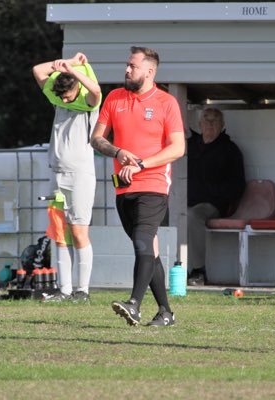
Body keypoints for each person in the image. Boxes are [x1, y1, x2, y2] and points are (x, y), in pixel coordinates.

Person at [91, 46, 185, 326]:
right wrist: (118, 152)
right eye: (127, 65)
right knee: (148, 250)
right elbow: (97, 139)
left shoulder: (166, 102)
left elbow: (178, 148)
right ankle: (166, 312)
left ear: (149, 71)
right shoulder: (114, 98)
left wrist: (142, 163)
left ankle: (134, 304)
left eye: (132, 66)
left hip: (153, 186)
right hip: (123, 187)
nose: (127, 70)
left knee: (143, 242)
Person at [32, 52, 102, 302]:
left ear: (76, 86)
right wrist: (68, 62)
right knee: (59, 233)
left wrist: (76, 72)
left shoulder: (88, 103)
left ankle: (82, 290)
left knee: (79, 231)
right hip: (57, 174)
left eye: (68, 95)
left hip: (80, 175)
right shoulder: (60, 99)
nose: (63, 99)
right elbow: (38, 71)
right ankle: (64, 290)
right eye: (60, 96)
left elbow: (96, 91)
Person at [187, 108, 245, 285]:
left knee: (192, 216)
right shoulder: (188, 146)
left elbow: (238, 186)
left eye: (215, 120)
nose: (210, 124)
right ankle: (157, 267)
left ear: (222, 125)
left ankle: (198, 271)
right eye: (206, 119)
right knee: (157, 213)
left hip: (212, 204)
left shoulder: (230, 150)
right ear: (199, 124)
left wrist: (213, 193)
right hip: (185, 201)